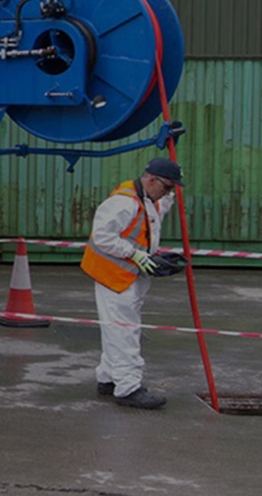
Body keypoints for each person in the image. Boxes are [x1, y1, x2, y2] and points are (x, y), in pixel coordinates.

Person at [80, 158, 182, 409]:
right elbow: (102, 235)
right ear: (150, 179)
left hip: (125, 275)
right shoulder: (124, 202)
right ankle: (128, 387)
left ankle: (108, 378)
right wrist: (134, 253)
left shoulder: (148, 199)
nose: (167, 193)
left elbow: (158, 212)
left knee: (115, 329)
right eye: (167, 187)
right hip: (115, 275)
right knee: (125, 331)